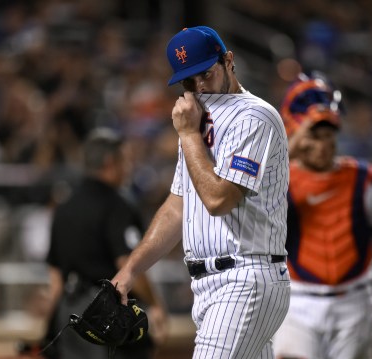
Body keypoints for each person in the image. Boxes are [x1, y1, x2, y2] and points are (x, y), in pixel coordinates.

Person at [112, 26, 291, 359]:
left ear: (229, 61)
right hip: (211, 285)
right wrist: (131, 270)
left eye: (205, 74)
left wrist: (188, 136)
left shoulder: (254, 116)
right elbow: (178, 207)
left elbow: (219, 200)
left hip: (245, 277)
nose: (198, 87)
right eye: (188, 81)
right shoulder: (198, 120)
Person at [272, 71, 372, 359]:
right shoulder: (278, 182)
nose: (324, 143)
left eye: (329, 134)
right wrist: (291, 141)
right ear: (297, 135)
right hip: (296, 300)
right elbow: (257, 197)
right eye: (315, 134)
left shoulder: (366, 178)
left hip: (355, 300)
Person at [45, 128, 168, 359]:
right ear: (111, 162)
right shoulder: (118, 205)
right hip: (108, 315)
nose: (129, 167)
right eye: (125, 159)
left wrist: (51, 327)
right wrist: (154, 305)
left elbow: (55, 279)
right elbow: (129, 264)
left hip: (70, 315)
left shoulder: (63, 207)